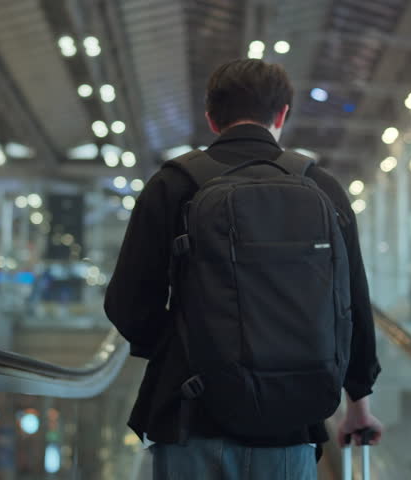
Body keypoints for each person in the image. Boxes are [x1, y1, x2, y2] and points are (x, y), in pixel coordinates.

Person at [105, 59, 382, 479]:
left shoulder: (172, 184)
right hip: (291, 424)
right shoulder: (322, 187)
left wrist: (184, 347)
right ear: (283, 114)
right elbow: (353, 304)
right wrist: (358, 404)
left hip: (191, 416)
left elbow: (126, 305)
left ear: (212, 118)